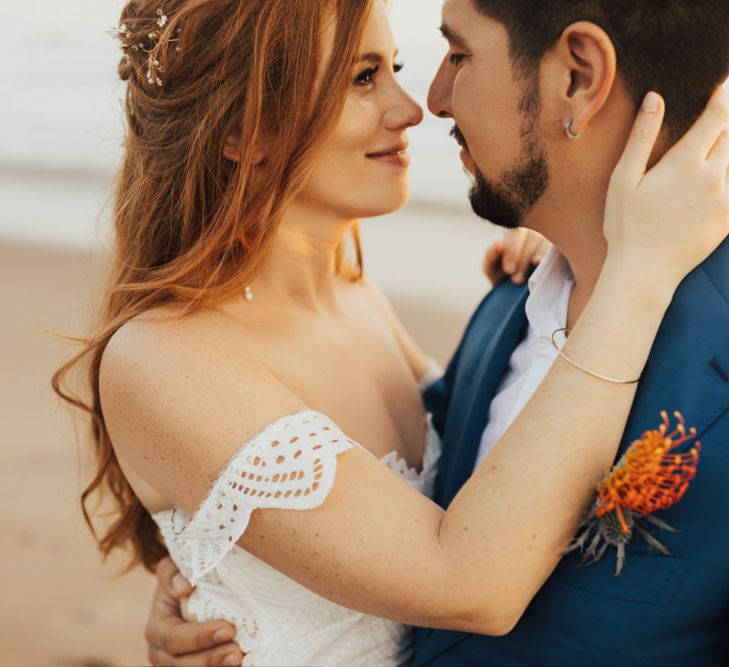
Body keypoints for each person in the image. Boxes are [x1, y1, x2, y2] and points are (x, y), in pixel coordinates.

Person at [55, 0, 729, 665]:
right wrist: (630, 276)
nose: (414, 106)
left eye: (403, 64)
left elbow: (463, 449)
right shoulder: (163, 359)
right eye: (361, 77)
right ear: (244, 128)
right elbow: (464, 579)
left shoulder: (364, 296)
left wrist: (567, 246)